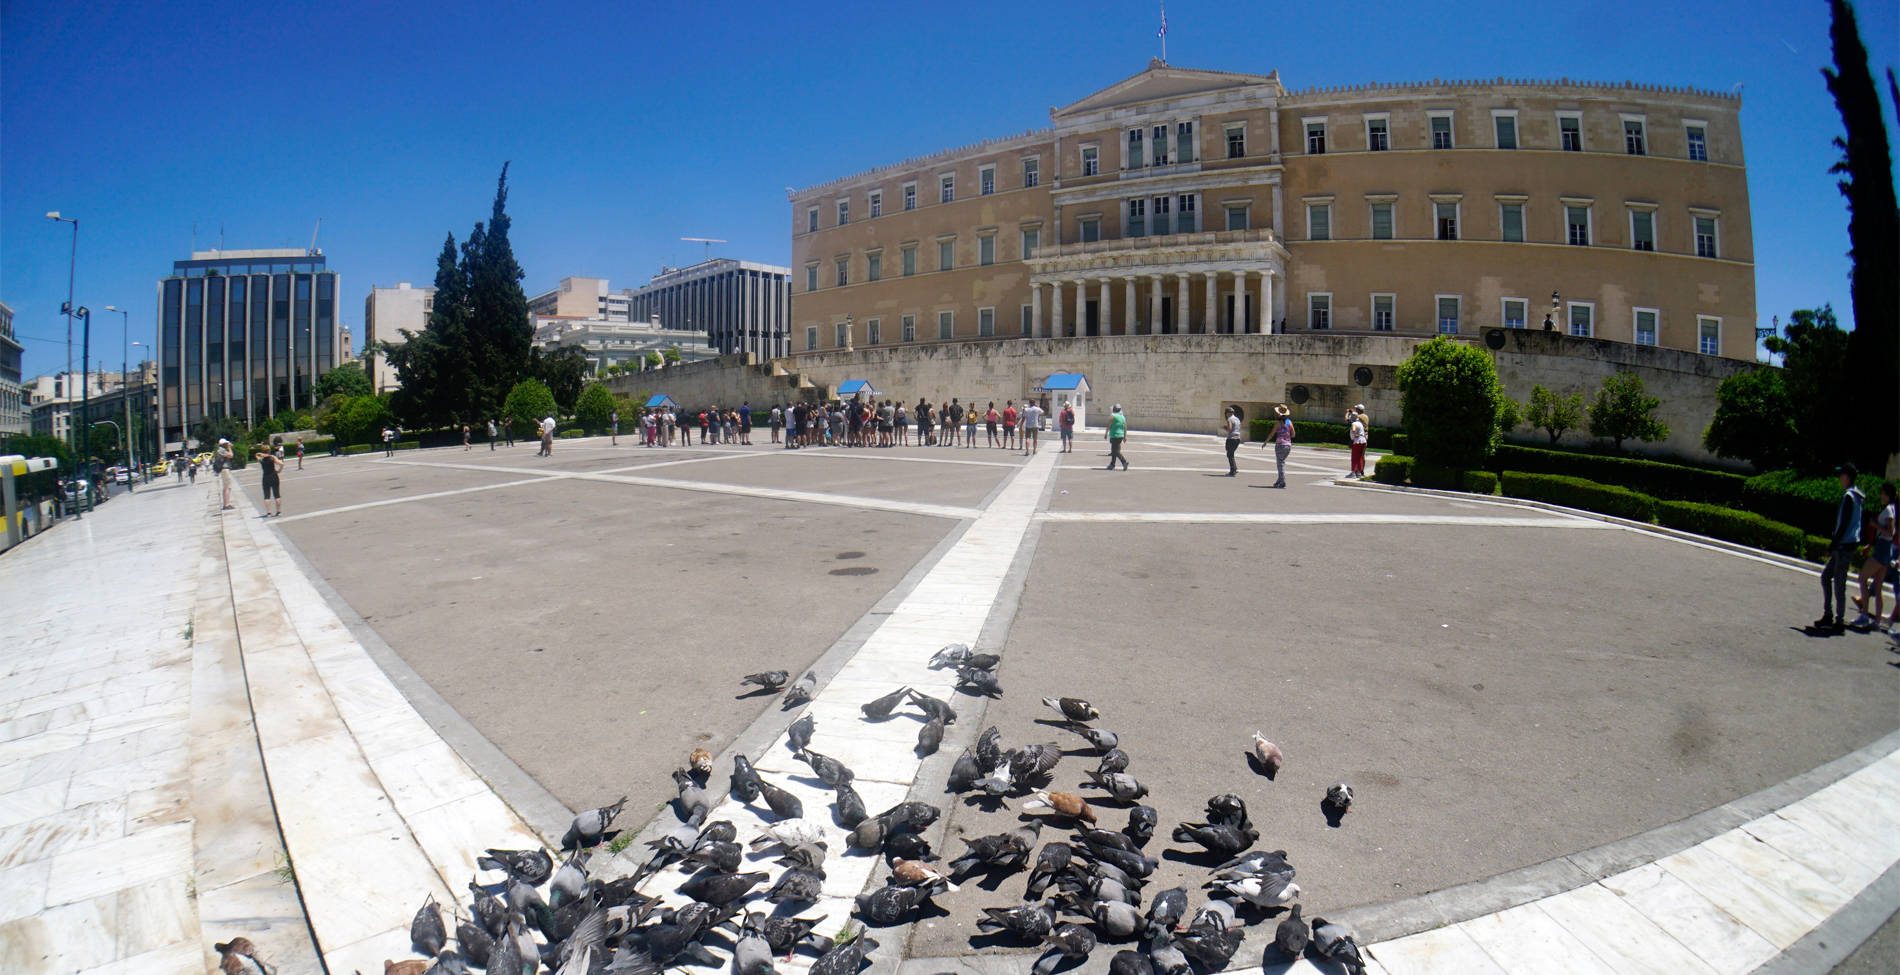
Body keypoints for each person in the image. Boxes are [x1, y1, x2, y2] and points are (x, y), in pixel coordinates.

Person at [1816, 464, 1864, 633]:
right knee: (1826, 577)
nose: (1839, 479)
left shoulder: (1850, 496)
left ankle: (1839, 620)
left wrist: (1832, 545)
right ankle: (1829, 615)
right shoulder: (1858, 496)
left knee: (1838, 583)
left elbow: (1844, 524)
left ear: (1847, 477)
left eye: (1841, 475)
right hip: (1848, 543)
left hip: (1843, 545)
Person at [1851, 481, 1896, 631]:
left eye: (1882, 493)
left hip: (1882, 549)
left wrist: (1875, 525)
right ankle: (1876, 620)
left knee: (1863, 578)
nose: (1880, 495)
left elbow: (1890, 532)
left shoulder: (1889, 510)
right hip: (1886, 550)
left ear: (1887, 494)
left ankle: (1864, 614)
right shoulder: (1892, 509)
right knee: (1878, 587)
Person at [1264, 404, 1295, 488]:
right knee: (1282, 463)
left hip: (1280, 445)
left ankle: (1282, 481)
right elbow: (1293, 434)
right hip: (1288, 445)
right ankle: (1279, 481)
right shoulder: (1289, 422)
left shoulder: (1278, 423)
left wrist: (1266, 442)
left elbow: (1272, 433)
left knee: (1280, 464)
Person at [253, 445, 286, 517]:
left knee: (267, 495)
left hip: (266, 477)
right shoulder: (273, 457)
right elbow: (282, 464)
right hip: (274, 475)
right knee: (277, 494)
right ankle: (278, 511)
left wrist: (261, 454)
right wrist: (279, 471)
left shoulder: (261, 459)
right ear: (269, 450)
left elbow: (256, 455)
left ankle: (268, 512)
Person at [1104, 404, 1128, 470]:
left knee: (1115, 451)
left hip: (1114, 435)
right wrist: (1125, 436)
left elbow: (1109, 425)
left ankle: (1124, 462)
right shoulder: (1123, 417)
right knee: (1114, 450)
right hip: (1120, 435)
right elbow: (1125, 427)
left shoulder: (1113, 416)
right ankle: (1112, 465)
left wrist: (1106, 433)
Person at [1347, 406, 1368, 479]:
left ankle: (1353, 472)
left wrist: (1355, 434)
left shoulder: (1354, 424)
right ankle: (1359, 472)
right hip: (1363, 440)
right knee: (1359, 457)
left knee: (1354, 457)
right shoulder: (1360, 423)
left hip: (1357, 441)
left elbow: (1353, 430)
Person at [1222, 405, 1244, 475]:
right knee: (1231, 454)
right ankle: (1234, 468)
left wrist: (1225, 428)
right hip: (1237, 438)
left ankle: (1232, 471)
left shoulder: (1229, 419)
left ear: (1228, 413)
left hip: (1231, 438)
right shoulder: (1237, 419)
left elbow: (1229, 429)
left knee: (1229, 454)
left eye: (1226, 413)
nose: (1226, 414)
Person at [215, 438, 235, 509]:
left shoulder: (222, 450)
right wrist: (229, 448)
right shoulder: (221, 450)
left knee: (227, 487)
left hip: (225, 470)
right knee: (227, 487)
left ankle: (226, 503)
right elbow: (231, 455)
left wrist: (230, 446)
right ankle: (226, 504)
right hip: (225, 469)